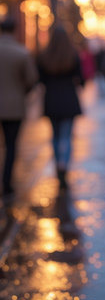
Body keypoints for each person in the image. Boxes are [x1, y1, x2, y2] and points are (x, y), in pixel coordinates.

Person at [37, 26, 85, 190]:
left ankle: (58, 164)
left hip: (51, 98)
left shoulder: (44, 56)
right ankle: (64, 165)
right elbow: (81, 77)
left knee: (55, 135)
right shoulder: (72, 54)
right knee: (66, 135)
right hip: (69, 98)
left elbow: (40, 79)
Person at [0, 18, 38, 199]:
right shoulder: (21, 53)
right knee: (11, 145)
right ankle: (7, 184)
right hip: (14, 107)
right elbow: (32, 79)